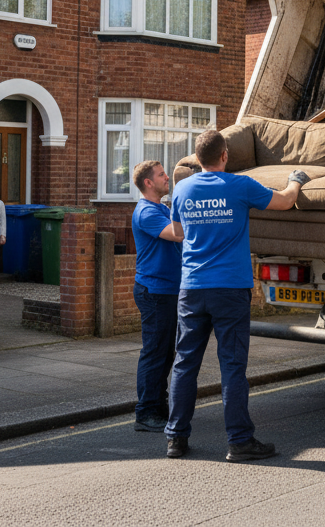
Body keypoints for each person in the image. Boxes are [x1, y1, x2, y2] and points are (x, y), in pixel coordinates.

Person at [164, 130, 308, 462]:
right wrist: (296, 180)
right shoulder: (240, 186)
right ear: (224, 155)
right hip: (230, 288)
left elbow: (178, 232)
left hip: (192, 288)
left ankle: (176, 439)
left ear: (197, 158)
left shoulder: (182, 189)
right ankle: (240, 441)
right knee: (231, 365)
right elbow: (285, 201)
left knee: (185, 363)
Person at [129, 159, 182, 434]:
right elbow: (176, 234)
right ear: (148, 183)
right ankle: (146, 412)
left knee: (165, 353)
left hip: (167, 290)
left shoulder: (161, 207)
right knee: (155, 352)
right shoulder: (146, 212)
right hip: (155, 292)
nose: (167, 178)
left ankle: (158, 407)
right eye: (162, 175)